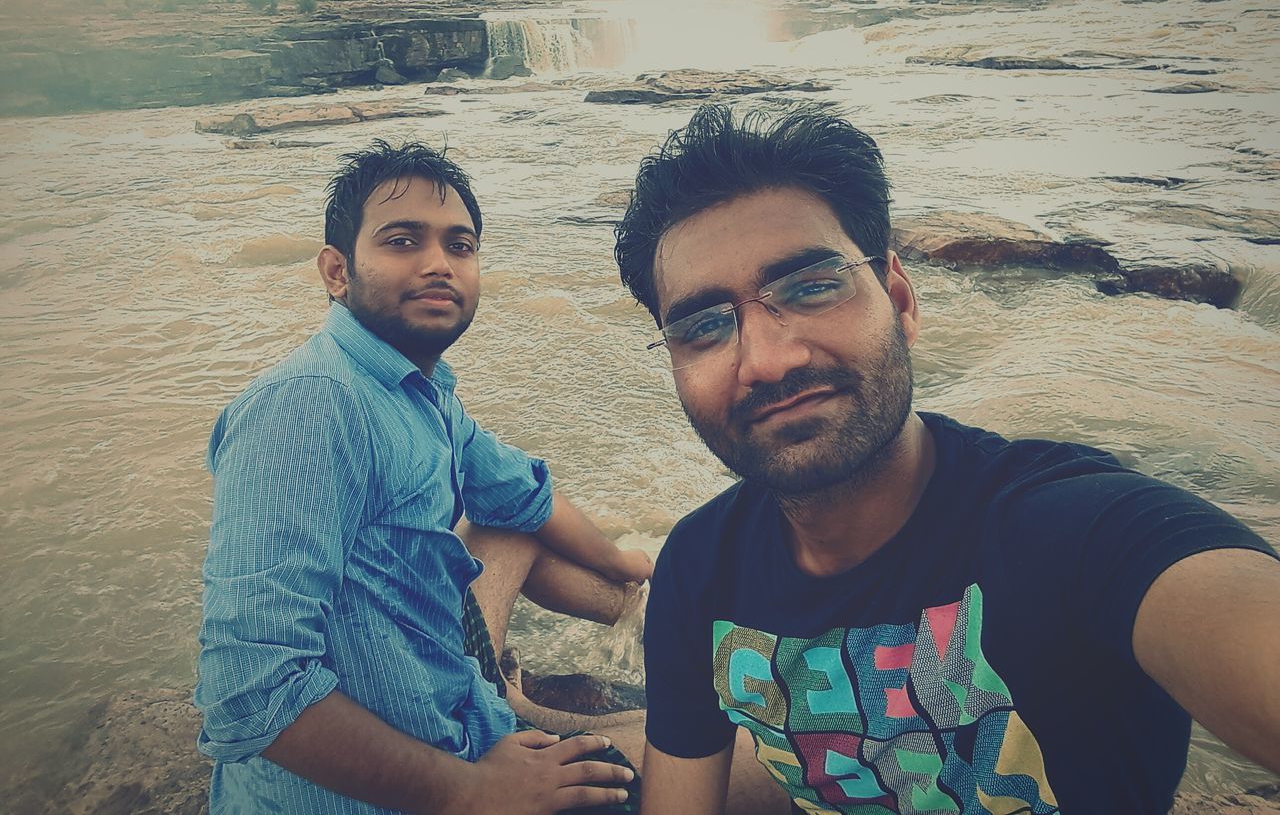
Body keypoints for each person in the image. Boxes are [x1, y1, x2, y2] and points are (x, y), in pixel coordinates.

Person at [612, 105, 1280, 815]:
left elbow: (1216, 603)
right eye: (704, 326)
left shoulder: (1070, 533)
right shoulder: (700, 568)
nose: (769, 360)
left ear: (899, 298)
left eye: (811, 286)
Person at [197, 140, 654, 814]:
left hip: (460, 724)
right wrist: (472, 791)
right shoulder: (309, 405)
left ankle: (638, 626)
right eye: (403, 240)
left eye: (460, 245)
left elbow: (526, 497)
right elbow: (249, 688)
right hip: (399, 790)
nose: (439, 263)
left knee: (507, 523)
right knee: (758, 752)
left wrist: (627, 566)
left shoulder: (419, 392)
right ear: (336, 271)